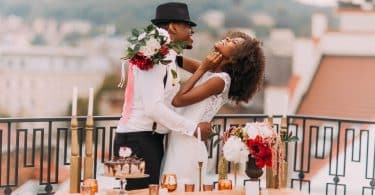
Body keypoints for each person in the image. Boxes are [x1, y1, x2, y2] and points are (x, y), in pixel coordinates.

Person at [113, 2, 212, 190]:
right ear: (173, 27)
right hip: (137, 141)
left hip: (147, 139)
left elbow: (193, 68)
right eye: (187, 26)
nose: (192, 31)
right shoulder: (154, 54)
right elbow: (153, 107)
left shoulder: (169, 56)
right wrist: (193, 128)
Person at [162, 31, 266, 188]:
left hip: (188, 146)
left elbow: (178, 100)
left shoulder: (220, 80)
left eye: (233, 43)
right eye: (229, 38)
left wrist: (202, 68)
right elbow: (178, 60)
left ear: (236, 58)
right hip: (180, 140)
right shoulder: (212, 72)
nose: (227, 39)